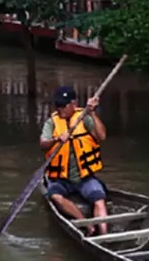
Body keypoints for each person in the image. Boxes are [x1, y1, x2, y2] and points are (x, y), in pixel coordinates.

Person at [40, 84, 109, 235]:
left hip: (84, 177)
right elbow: (43, 144)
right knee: (55, 196)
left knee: (99, 199)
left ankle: (104, 235)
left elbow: (101, 136)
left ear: (74, 104)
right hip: (61, 179)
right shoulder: (51, 122)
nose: (60, 109)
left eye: (63, 106)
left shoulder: (84, 118)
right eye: (57, 105)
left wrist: (92, 113)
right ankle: (87, 225)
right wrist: (56, 139)